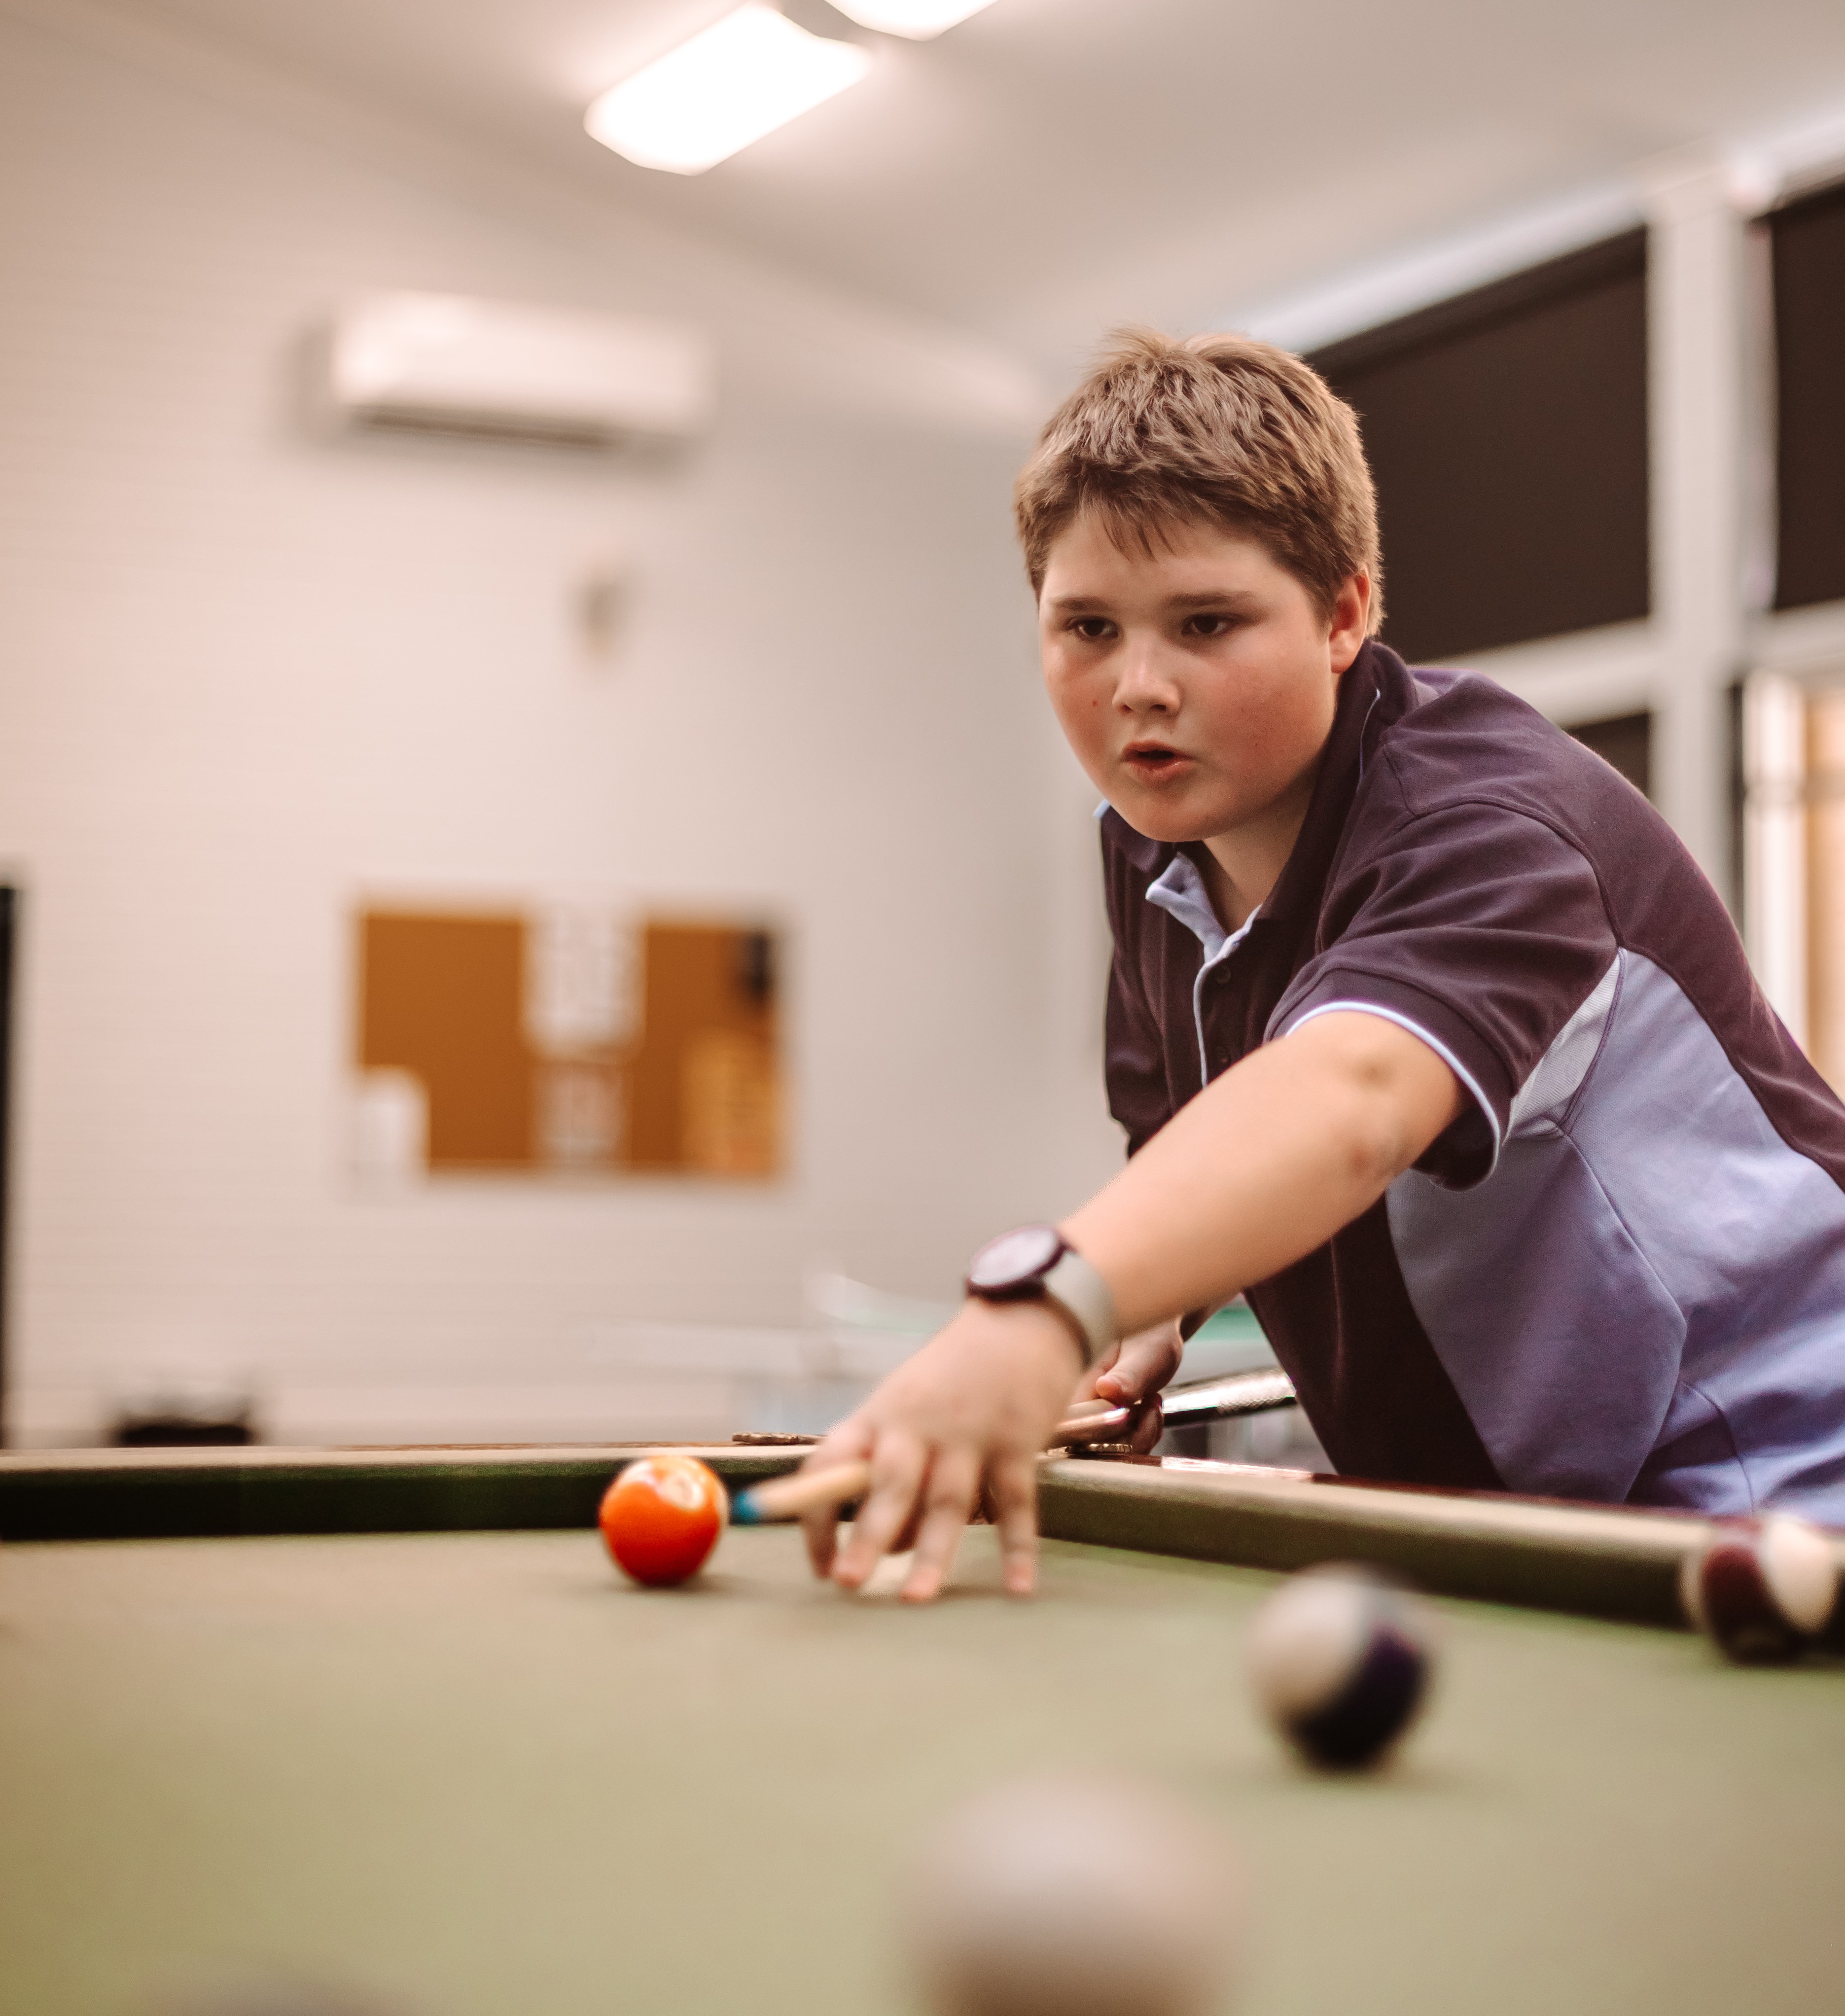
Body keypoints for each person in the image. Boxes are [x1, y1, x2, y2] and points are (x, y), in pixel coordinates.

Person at [751, 328, 1845, 1599]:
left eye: (1206, 622)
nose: (1139, 687)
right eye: (1087, 627)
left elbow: (1352, 1098)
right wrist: (1134, 1329)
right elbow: (1191, 1141)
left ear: (1344, 614)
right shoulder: (1155, 851)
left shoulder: (1492, 825)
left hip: (1795, 1495)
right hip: (1537, 1532)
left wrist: (1040, 1307)